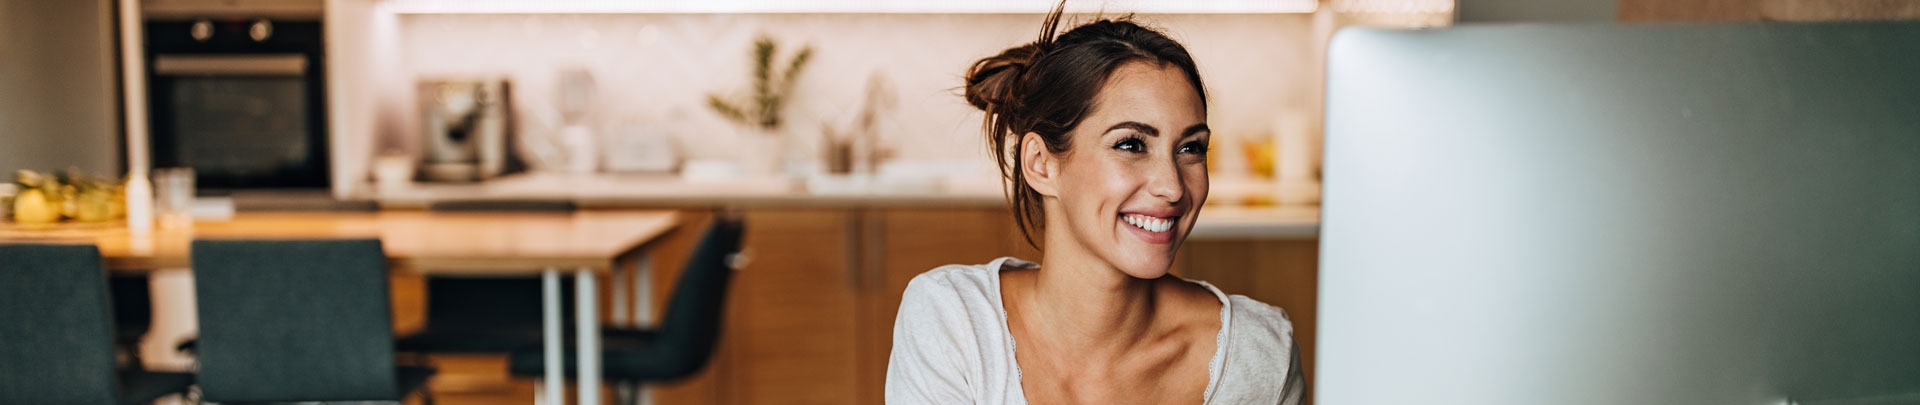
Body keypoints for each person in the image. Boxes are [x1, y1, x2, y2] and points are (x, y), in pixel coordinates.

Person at [884, 4, 1307, 405]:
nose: (1173, 187)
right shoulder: (953, 322)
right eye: (1131, 144)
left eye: (1191, 148)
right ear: (1041, 164)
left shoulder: (1258, 355)